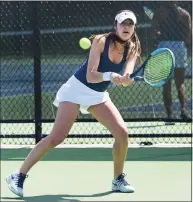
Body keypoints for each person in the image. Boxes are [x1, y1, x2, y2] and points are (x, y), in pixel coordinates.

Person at [6, 10, 141, 197]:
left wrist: (126, 80)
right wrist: (111, 75)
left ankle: (118, 179)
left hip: (98, 95)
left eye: (130, 24)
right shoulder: (101, 41)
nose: (126, 27)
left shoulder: (132, 48)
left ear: (134, 27)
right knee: (57, 137)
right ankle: (18, 175)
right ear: (115, 26)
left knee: (122, 134)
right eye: (123, 23)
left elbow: (127, 74)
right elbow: (90, 75)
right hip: (76, 90)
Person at [150, 1, 191, 120]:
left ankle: (169, 115)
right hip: (179, 46)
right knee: (180, 83)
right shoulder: (185, 14)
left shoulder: (160, 12)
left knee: (166, 84)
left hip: (164, 46)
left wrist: (158, 35)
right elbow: (188, 35)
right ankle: (183, 111)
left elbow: (153, 32)